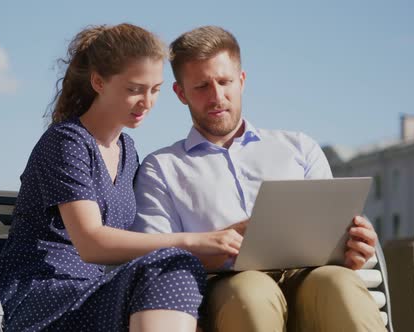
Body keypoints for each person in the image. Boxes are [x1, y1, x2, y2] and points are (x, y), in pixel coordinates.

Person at [0, 23, 244, 332]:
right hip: (44, 297)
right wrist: (196, 242)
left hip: (94, 292)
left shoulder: (127, 150)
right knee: (176, 265)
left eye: (155, 90)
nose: (147, 102)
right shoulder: (67, 142)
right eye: (134, 89)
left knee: (174, 268)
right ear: (98, 81)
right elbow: (92, 243)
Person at [132, 26, 386, 332]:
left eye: (225, 82)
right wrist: (215, 246)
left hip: (309, 277)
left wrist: (352, 247)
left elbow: (333, 235)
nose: (217, 96)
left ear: (241, 81)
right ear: (180, 93)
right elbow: (155, 259)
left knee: (341, 284)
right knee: (252, 292)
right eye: (201, 86)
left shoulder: (299, 148)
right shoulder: (161, 167)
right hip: (225, 287)